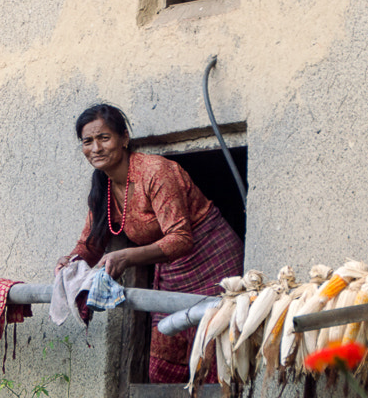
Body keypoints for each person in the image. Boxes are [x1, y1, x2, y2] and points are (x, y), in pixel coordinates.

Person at [55, 104, 244, 383]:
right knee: (163, 368)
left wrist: (127, 257)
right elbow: (91, 244)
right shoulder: (103, 187)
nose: (96, 148)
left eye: (104, 138)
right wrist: (70, 260)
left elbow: (180, 239)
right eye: (87, 141)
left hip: (213, 263)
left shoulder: (156, 172)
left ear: (124, 138)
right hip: (171, 272)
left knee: (217, 358)